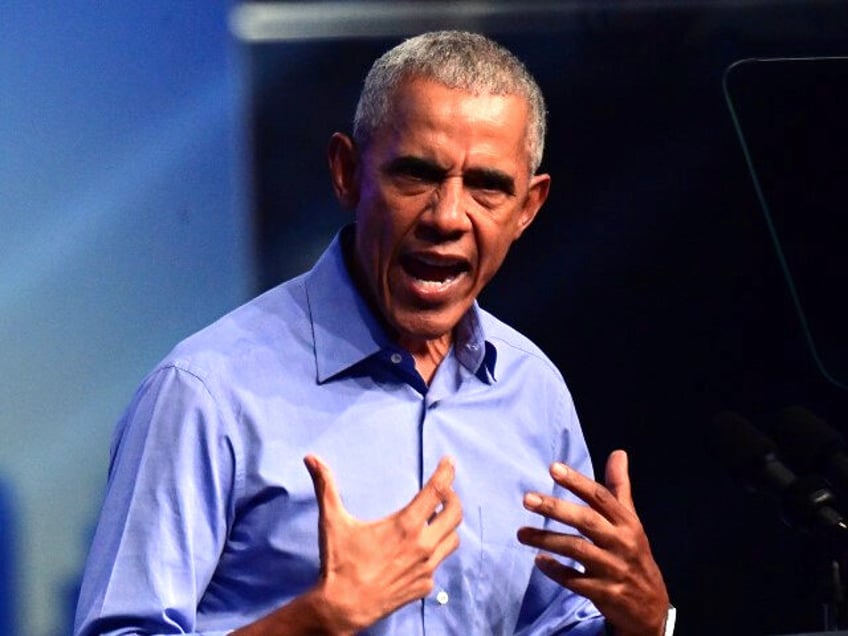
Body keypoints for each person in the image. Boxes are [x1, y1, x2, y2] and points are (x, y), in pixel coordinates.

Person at [74, 31, 673, 635]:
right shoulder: (206, 392)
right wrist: (316, 620)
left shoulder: (534, 393)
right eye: (416, 174)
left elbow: (560, 623)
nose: (447, 216)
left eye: (487, 186)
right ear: (346, 173)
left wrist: (643, 623)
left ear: (528, 208)